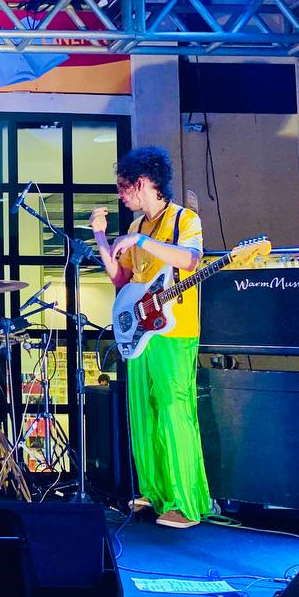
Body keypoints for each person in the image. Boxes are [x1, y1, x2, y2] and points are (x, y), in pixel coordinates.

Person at [91, 145, 212, 529]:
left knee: (174, 409)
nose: (120, 195)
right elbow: (121, 279)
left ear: (142, 183)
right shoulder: (135, 228)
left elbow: (190, 260)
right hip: (142, 329)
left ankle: (185, 502)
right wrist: (101, 239)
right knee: (143, 411)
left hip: (175, 330)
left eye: (123, 187)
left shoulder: (184, 219)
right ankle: (155, 492)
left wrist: (141, 243)